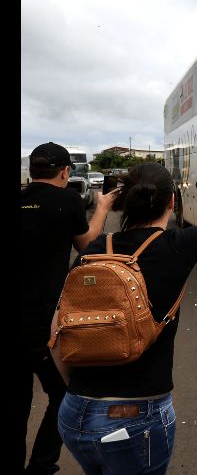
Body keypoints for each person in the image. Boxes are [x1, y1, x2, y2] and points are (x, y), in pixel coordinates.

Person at [50, 162, 197, 473]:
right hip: (135, 417)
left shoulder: (94, 251)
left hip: (75, 413)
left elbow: (56, 333)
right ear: (171, 201)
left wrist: (80, 391)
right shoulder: (176, 246)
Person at [17, 142, 116, 474]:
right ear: (64, 172)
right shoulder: (68, 201)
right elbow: (87, 244)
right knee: (63, 394)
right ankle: (42, 465)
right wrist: (102, 207)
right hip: (44, 324)